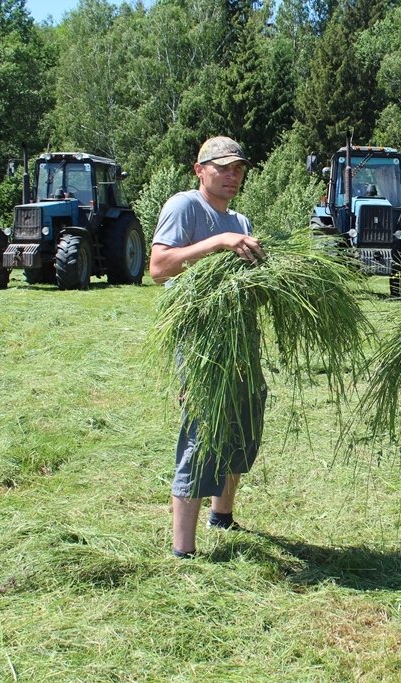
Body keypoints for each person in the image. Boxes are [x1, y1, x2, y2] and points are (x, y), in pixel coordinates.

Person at [150, 136, 265, 558]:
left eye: (238, 168)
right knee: (202, 432)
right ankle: (184, 548)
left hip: (240, 340)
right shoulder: (185, 207)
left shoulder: (242, 220)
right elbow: (159, 268)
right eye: (223, 167)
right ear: (200, 170)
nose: (233, 175)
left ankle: (223, 514)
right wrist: (219, 243)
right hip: (201, 343)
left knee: (244, 420)